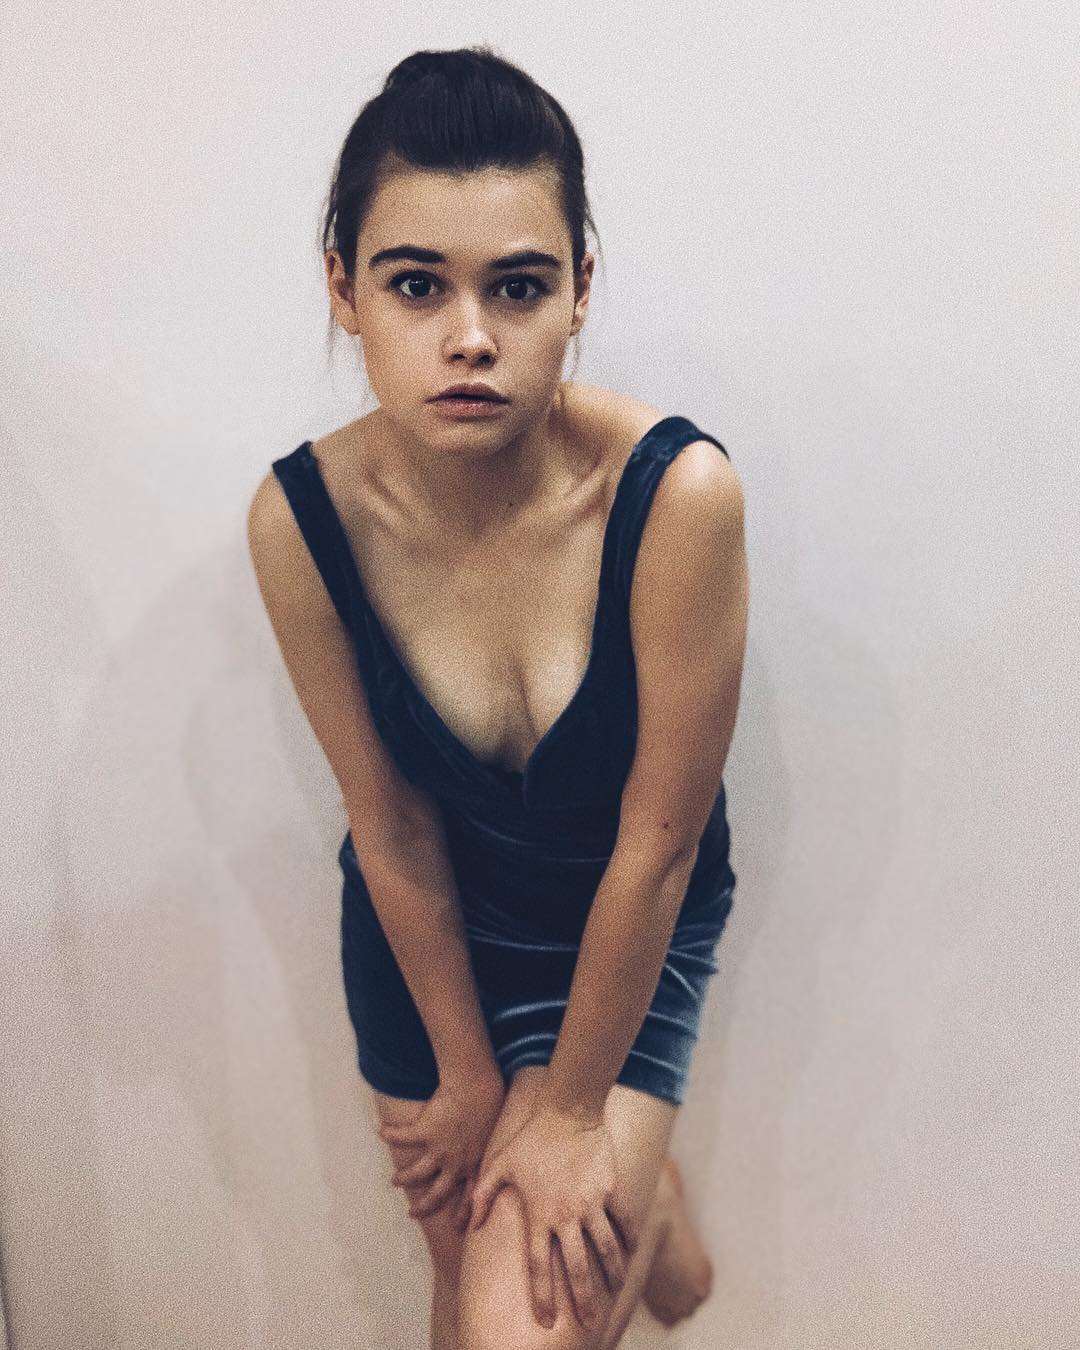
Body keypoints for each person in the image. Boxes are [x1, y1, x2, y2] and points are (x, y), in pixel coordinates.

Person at [247, 44, 748, 1350]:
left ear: (579, 289)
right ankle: (651, 1222)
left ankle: (629, 1176)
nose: (469, 337)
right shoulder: (300, 524)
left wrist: (571, 1109)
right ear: (345, 288)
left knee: (513, 1326)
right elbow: (389, 820)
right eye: (417, 284)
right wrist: (471, 1076)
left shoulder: (677, 499)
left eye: (517, 286)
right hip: (431, 941)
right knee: (463, 1299)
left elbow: (663, 842)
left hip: (625, 917)